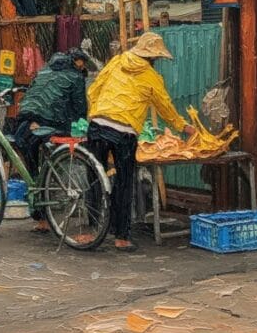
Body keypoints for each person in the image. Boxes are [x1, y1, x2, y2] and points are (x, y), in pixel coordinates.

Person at [86, 32, 190, 253]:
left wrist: (96, 114)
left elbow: (93, 90)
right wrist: (184, 127)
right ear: (153, 57)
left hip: (98, 125)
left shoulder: (116, 61)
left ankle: (92, 230)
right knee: (124, 182)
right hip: (124, 132)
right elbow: (165, 108)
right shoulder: (152, 77)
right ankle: (121, 238)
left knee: (94, 178)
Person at [14, 48, 90, 232]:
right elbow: (80, 109)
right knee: (52, 163)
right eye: (82, 63)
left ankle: (40, 215)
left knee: (32, 165)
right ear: (76, 62)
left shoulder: (43, 71)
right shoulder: (76, 76)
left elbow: (33, 97)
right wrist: (81, 125)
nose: (83, 67)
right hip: (53, 123)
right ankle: (43, 206)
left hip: (27, 120)